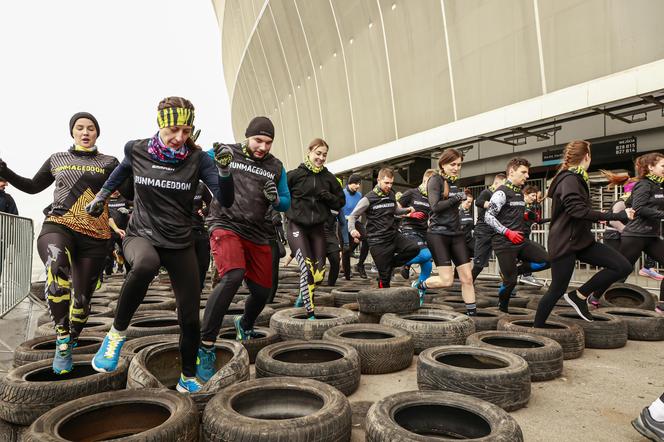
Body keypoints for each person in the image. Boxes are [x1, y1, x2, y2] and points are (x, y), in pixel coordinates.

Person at [86, 97, 235, 394]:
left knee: (191, 316)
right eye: (174, 130)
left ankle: (187, 376)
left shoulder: (198, 159)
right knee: (145, 264)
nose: (180, 138)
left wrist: (225, 172)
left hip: (180, 242)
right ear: (160, 125)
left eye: (187, 130)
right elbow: (120, 172)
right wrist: (101, 196)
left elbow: (226, 200)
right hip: (141, 234)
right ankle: (115, 335)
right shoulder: (137, 149)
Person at [0, 112, 126, 374]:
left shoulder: (109, 162)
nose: (85, 132)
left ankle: (73, 335)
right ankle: (62, 339)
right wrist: (5, 172)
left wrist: (134, 172)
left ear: (97, 133)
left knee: (81, 302)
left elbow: (131, 192)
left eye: (91, 128)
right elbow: (33, 186)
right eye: (80, 128)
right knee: (57, 269)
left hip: (95, 235)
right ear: (72, 132)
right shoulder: (58, 158)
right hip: (59, 225)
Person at [198, 116, 290, 383]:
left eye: (268, 142)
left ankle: (245, 323)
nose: (262, 147)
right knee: (233, 275)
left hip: (258, 232)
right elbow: (193, 160)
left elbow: (285, 202)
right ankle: (205, 346)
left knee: (263, 292)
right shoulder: (227, 152)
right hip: (224, 223)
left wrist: (277, 199)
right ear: (247, 136)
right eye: (258, 140)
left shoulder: (276, 166)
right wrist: (195, 147)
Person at [533, 140, 634, 326]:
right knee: (556, 289)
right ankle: (536, 329)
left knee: (622, 266)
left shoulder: (577, 178)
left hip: (582, 240)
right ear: (587, 156)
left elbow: (578, 212)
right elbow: (577, 211)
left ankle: (579, 296)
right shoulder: (570, 179)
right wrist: (617, 215)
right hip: (566, 243)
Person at [414, 149, 477, 315]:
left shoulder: (454, 182)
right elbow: (435, 206)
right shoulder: (435, 180)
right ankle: (420, 284)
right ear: (443, 164)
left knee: (467, 279)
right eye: (453, 164)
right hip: (438, 234)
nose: (456, 168)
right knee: (447, 281)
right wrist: (456, 198)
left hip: (456, 234)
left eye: (459, 165)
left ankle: (473, 315)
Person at [484, 158, 550, 313]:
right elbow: (488, 217)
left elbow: (511, 214)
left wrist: (526, 216)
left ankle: (513, 271)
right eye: (523, 172)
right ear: (511, 172)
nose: (527, 176)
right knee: (511, 281)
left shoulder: (519, 193)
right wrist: (507, 232)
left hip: (520, 240)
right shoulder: (501, 192)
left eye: (528, 172)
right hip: (504, 243)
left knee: (548, 260)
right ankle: (503, 308)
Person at [347, 168, 421, 288]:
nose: (389, 186)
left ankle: (390, 264)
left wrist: (407, 209)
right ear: (378, 180)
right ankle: (383, 288)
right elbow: (352, 216)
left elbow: (395, 209)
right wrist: (352, 230)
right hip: (378, 242)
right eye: (386, 183)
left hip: (393, 236)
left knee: (414, 248)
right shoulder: (368, 199)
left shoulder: (391, 194)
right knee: (385, 279)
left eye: (391, 183)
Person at [613, 152, 664, 314]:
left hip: (651, 236)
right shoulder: (644, 184)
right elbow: (638, 208)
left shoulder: (659, 186)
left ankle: (662, 305)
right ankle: (595, 297)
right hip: (635, 235)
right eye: (663, 166)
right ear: (650, 167)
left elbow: (631, 202)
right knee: (620, 272)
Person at [397, 169, 435, 280]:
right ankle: (398, 262)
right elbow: (394, 210)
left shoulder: (432, 197)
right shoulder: (411, 193)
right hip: (409, 230)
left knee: (428, 264)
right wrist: (409, 214)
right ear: (425, 180)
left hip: (424, 232)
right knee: (426, 255)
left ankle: (419, 290)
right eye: (433, 182)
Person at [471, 173, 507, 280]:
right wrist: (493, 205)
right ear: (496, 183)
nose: (504, 188)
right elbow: (478, 202)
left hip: (496, 230)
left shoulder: (502, 195)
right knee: (479, 264)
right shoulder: (487, 192)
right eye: (503, 185)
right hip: (483, 230)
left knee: (506, 259)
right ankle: (468, 284)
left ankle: (507, 286)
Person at [518, 185, 548, 287]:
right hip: (518, 239)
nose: (534, 198)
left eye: (535, 196)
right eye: (532, 195)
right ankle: (518, 273)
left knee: (541, 249)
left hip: (525, 238)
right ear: (525, 194)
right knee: (544, 257)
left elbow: (538, 221)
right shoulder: (519, 205)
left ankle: (525, 275)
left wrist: (554, 219)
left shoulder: (530, 207)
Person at [341, 174, 369, 279]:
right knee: (346, 249)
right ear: (349, 183)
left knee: (367, 238)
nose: (357, 186)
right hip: (343, 222)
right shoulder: (342, 194)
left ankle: (360, 264)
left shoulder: (359, 195)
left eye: (359, 184)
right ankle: (347, 273)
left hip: (356, 222)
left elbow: (359, 211)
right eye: (355, 183)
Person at [105, 190, 132, 275]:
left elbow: (138, 205)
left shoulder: (124, 198)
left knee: (125, 252)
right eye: (114, 190)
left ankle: (129, 272)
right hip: (109, 231)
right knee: (108, 253)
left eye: (118, 189)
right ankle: (108, 272)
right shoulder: (106, 199)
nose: (116, 191)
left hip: (123, 231)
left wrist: (128, 211)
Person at [192, 181, 213, 289]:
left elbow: (213, 202)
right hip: (181, 230)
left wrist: (204, 211)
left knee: (203, 263)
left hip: (199, 229)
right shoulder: (176, 181)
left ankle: (198, 289)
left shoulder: (201, 186)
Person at [267, 207, 287, 303]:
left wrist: (282, 236)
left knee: (272, 272)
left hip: (269, 239)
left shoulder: (272, 203)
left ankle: (269, 300)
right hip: (259, 239)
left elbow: (277, 221)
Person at [459, 189, 475, 260]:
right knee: (462, 264)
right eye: (468, 202)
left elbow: (471, 226)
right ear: (462, 201)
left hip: (469, 241)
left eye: (471, 202)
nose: (470, 204)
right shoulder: (456, 212)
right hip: (460, 242)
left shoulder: (468, 212)